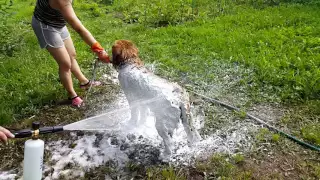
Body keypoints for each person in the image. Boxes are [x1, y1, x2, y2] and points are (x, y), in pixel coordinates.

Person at [31, 0, 110, 107]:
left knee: (71, 55)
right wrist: (99, 50)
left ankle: (84, 82)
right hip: (46, 26)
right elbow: (79, 28)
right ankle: (72, 96)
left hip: (58, 22)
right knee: (65, 63)